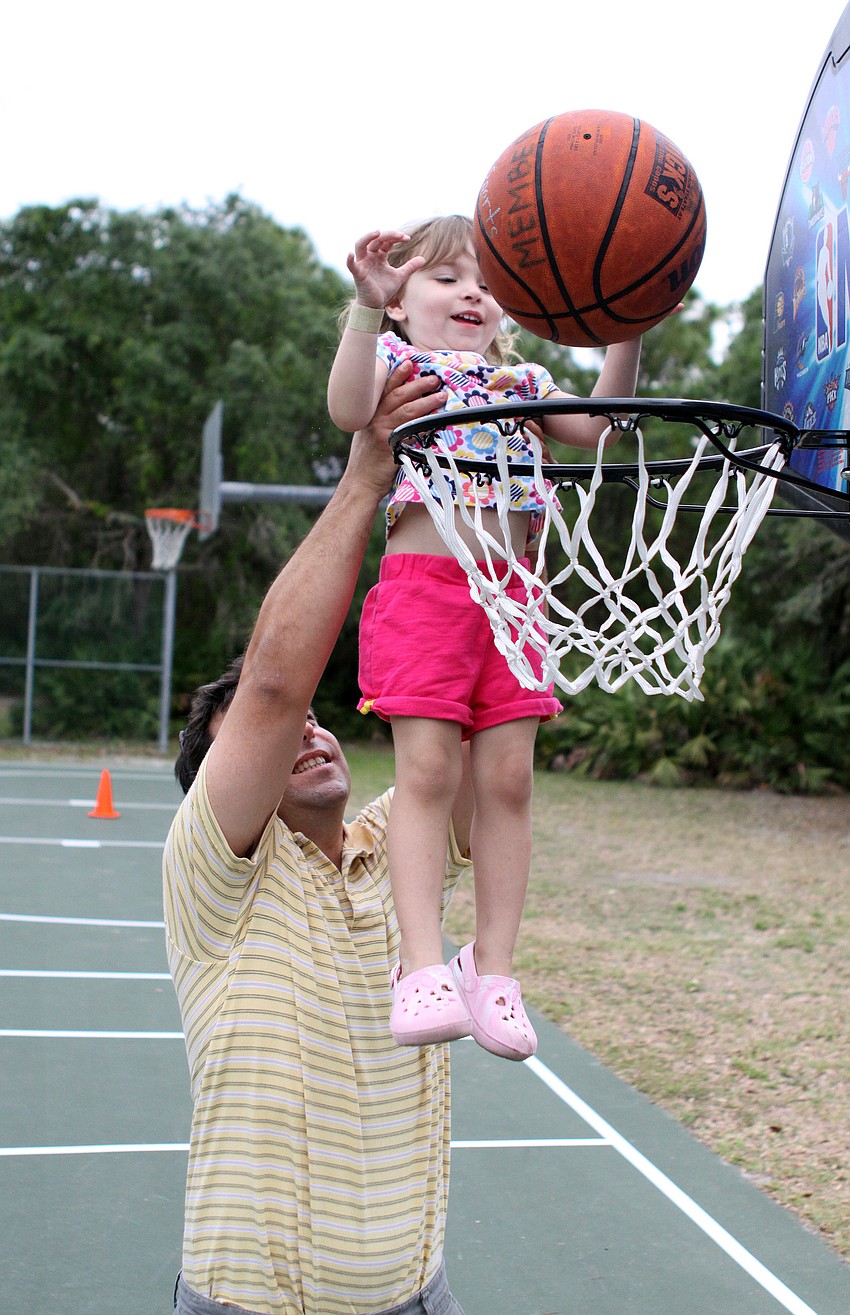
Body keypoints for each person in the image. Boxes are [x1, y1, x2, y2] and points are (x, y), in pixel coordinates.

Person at [164, 362, 473, 1315]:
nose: (307, 729)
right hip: (253, 1302)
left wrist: (493, 502)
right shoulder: (216, 874)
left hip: (419, 1294)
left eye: (319, 723)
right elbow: (272, 688)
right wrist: (365, 479)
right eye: (271, 739)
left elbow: (478, 720)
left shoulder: (399, 848)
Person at [327, 216, 645, 1062]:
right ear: (402, 302)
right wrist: (363, 309)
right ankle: (421, 965)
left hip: (514, 595)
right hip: (427, 591)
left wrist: (627, 326)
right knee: (429, 772)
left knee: (507, 779)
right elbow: (346, 408)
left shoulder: (527, 381)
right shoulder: (399, 365)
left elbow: (605, 425)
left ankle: (492, 968)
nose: (472, 291)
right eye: (445, 277)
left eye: (487, 281)